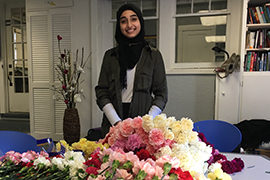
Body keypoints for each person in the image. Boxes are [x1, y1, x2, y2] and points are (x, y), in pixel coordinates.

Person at [95, 3, 168, 138]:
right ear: (119, 26)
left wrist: (145, 122)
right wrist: (116, 122)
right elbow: (101, 92)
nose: (129, 24)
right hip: (113, 124)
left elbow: (161, 95)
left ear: (140, 21)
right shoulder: (110, 56)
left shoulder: (153, 55)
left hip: (143, 126)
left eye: (133, 19)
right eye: (123, 21)